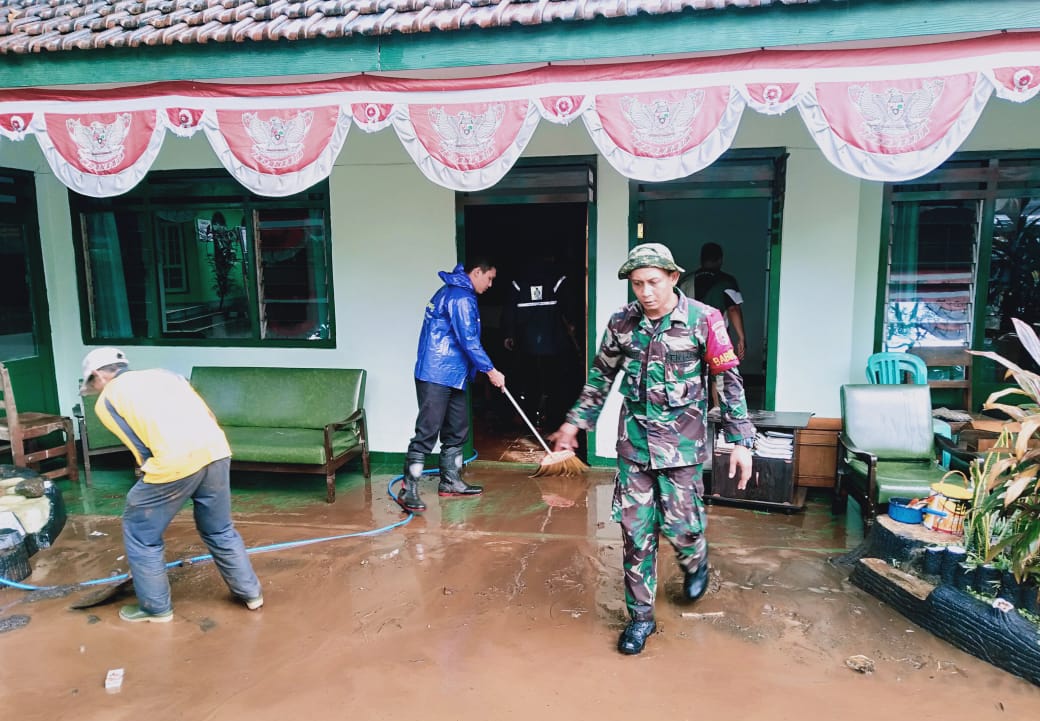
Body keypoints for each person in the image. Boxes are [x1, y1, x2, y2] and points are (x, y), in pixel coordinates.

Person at [548, 242, 755, 656]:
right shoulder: (622, 323)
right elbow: (600, 376)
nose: (645, 292)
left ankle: (694, 558)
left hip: (683, 447)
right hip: (636, 446)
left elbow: (729, 380)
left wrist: (740, 441)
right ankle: (640, 619)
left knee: (681, 525)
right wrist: (574, 423)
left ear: (674, 278)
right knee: (635, 533)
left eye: (654, 282)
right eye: (638, 284)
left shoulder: (704, 320)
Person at [80, 347, 263, 624]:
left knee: (140, 531)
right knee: (219, 528)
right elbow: (209, 416)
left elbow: (138, 448)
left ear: (98, 375)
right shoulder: (167, 376)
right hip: (216, 451)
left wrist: (148, 478)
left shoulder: (107, 400)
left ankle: (156, 609)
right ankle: (251, 594)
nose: (93, 388)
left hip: (174, 462)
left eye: (91, 383)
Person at [398, 257, 506, 513]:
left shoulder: (457, 292)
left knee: (457, 429)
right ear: (477, 272)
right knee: (427, 431)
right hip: (436, 372)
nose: (490, 284)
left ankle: (450, 482)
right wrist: (491, 371)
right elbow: (468, 340)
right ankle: (408, 488)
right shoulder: (460, 297)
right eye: (489, 278)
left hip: (454, 373)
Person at [501, 252, 578, 430]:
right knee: (554, 385)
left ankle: (529, 423)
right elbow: (570, 308)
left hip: (526, 346)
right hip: (554, 345)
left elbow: (508, 313)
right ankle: (553, 422)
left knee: (529, 385)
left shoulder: (518, 283)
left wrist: (509, 335)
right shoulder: (557, 280)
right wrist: (572, 326)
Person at [679, 242, 747, 360]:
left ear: (701, 259)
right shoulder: (727, 282)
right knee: (718, 371)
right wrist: (741, 338)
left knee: (693, 371)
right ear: (720, 260)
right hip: (717, 336)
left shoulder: (686, 281)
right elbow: (733, 309)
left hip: (689, 337)